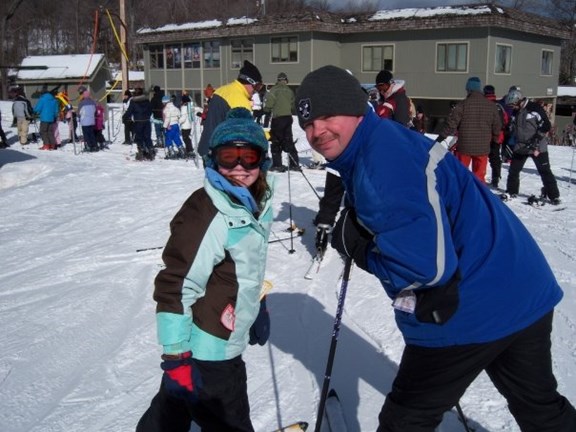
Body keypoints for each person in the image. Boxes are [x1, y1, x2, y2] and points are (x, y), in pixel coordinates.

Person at [295, 65, 576, 432]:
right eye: (308, 124)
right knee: (540, 406)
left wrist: (359, 249)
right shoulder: (383, 139)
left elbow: (426, 270)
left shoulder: (379, 163)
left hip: (469, 303)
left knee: (406, 420)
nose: (317, 132)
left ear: (353, 108)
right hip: (522, 286)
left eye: (326, 116)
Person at [135, 107, 274, 432]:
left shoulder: (253, 202)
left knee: (176, 405)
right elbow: (176, 285)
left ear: (262, 161)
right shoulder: (208, 211)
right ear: (214, 161)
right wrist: (175, 356)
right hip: (211, 346)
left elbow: (242, 269)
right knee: (227, 417)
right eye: (229, 157)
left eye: (248, 157)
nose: (239, 167)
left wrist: (254, 306)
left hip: (218, 330)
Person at [436, 77, 501, 184]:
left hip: (464, 146)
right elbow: (497, 126)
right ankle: (478, 196)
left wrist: (441, 137)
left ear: (468, 89)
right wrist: (495, 140)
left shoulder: (462, 105)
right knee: (479, 177)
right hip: (483, 146)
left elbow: (451, 124)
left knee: (460, 174)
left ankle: (461, 195)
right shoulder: (491, 106)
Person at [504, 89, 561, 205]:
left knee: (544, 170)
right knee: (514, 170)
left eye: (513, 105)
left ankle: (554, 195)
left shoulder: (534, 109)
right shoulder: (515, 112)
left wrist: (536, 140)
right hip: (521, 145)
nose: (512, 108)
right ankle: (511, 191)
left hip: (537, 145)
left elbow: (546, 125)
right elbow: (513, 128)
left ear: (519, 101)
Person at [197, 60, 263, 160]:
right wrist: (268, 136)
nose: (256, 91)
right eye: (257, 86)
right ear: (249, 82)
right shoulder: (239, 100)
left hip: (208, 147)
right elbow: (244, 133)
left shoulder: (222, 90)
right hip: (222, 154)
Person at [264, 72, 298, 172]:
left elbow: (269, 104)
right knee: (288, 139)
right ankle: (294, 164)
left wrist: (266, 109)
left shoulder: (274, 90)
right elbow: (292, 105)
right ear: (286, 80)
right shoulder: (290, 91)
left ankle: (277, 164)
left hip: (277, 119)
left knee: (276, 140)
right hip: (288, 118)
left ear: (278, 80)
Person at [483, 85, 509, 188]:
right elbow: (506, 120)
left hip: (485, 135)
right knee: (495, 157)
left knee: (482, 156)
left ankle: (481, 176)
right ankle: (496, 177)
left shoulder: (484, 105)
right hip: (498, 135)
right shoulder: (499, 106)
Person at [125, 87, 156, 161]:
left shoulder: (133, 101)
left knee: (139, 137)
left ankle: (141, 151)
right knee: (147, 137)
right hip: (146, 121)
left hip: (138, 121)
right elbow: (150, 110)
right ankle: (150, 151)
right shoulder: (147, 100)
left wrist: (125, 117)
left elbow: (129, 112)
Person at [33, 85, 59, 151]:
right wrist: (55, 116)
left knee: (43, 131)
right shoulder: (54, 99)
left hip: (44, 118)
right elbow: (56, 110)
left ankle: (46, 145)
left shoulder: (43, 99)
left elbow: (38, 108)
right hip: (51, 118)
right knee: (50, 132)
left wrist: (34, 111)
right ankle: (53, 145)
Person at [162, 95, 185, 159]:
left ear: (165, 102)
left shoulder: (166, 109)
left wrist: (164, 126)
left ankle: (171, 151)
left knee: (168, 138)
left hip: (170, 125)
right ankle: (181, 149)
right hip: (176, 125)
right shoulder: (175, 107)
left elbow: (167, 118)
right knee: (176, 137)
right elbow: (179, 114)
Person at [77, 86, 98, 152]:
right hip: (91, 121)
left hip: (85, 121)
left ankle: (88, 146)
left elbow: (79, 112)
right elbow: (95, 111)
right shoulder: (93, 102)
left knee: (86, 135)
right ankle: (95, 146)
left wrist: (78, 117)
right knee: (92, 134)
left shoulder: (82, 103)